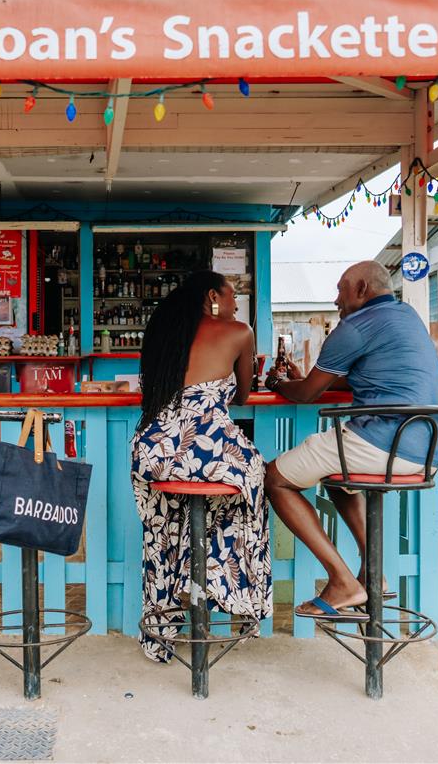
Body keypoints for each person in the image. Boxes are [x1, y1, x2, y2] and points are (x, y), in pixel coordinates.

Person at [264, 260, 438, 621]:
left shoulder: (354, 327)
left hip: (383, 443)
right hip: (426, 450)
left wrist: (277, 383)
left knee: (274, 479)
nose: (336, 300)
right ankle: (374, 573)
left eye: (340, 290)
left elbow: (307, 394)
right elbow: (361, 377)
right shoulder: (407, 316)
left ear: (362, 289)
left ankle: (342, 581)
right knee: (336, 477)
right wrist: (309, 380)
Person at [131, 270, 272, 662]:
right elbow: (243, 396)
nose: (235, 304)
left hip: (155, 451)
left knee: (163, 529)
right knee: (251, 485)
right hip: (207, 450)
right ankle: (231, 590)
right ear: (213, 296)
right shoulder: (239, 333)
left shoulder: (164, 332)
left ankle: (170, 605)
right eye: (231, 295)